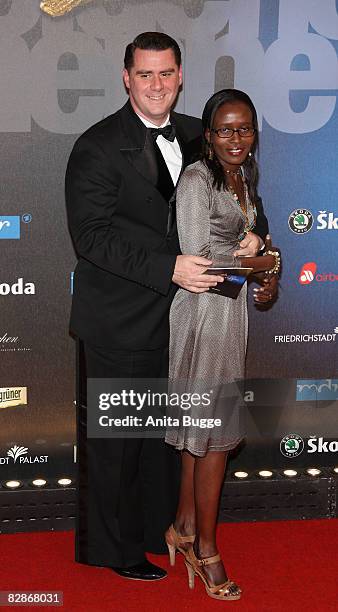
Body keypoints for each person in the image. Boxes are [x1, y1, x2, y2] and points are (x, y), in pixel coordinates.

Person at [65, 32, 269, 582]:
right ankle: (115, 549)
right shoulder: (98, 145)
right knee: (119, 445)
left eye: (166, 73)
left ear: (180, 77)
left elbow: (239, 201)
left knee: (166, 439)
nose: (156, 84)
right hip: (121, 315)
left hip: (184, 321)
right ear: (126, 79)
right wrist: (168, 268)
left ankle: (164, 528)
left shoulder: (198, 136)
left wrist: (254, 239)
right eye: (145, 74)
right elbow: (91, 238)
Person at [165, 89, 279, 600]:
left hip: (228, 313)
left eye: (246, 129)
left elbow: (243, 240)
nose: (237, 139)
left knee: (201, 430)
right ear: (208, 136)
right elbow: (199, 257)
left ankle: (184, 529)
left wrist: (258, 248)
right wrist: (262, 260)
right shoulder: (196, 179)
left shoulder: (241, 179)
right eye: (226, 130)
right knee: (213, 436)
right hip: (203, 314)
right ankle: (207, 549)